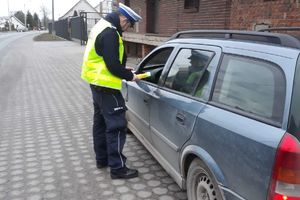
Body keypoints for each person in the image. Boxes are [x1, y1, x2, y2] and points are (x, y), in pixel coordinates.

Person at [81, 3, 141, 179]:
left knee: (99, 124)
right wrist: (130, 77)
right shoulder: (111, 33)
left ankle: (102, 159)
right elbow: (113, 65)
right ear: (122, 19)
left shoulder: (102, 26)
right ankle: (118, 168)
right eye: (129, 24)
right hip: (107, 87)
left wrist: (124, 70)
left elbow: (105, 58)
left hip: (95, 83)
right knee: (116, 126)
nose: (128, 28)